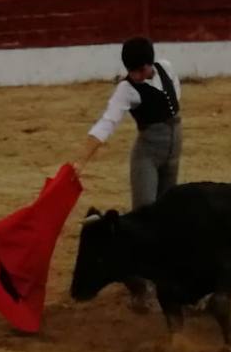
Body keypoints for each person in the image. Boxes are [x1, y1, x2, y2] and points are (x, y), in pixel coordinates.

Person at [73, 37, 185, 223]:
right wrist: (81, 161)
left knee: (168, 209)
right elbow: (106, 123)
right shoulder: (126, 89)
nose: (136, 76)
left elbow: (175, 96)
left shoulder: (166, 68)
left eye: (141, 70)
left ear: (150, 63)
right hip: (147, 155)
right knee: (144, 214)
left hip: (173, 153)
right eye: (132, 71)